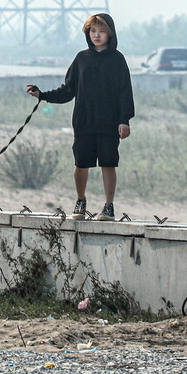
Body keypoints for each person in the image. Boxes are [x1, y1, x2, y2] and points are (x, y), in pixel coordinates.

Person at [25, 12, 134, 221]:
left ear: (110, 34)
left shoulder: (117, 60)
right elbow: (68, 90)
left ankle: (108, 206)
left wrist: (124, 120)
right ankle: (80, 200)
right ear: (88, 33)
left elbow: (125, 92)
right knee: (81, 163)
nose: (97, 35)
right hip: (84, 121)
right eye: (93, 31)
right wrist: (43, 95)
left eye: (101, 31)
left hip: (109, 122)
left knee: (108, 163)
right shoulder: (81, 59)